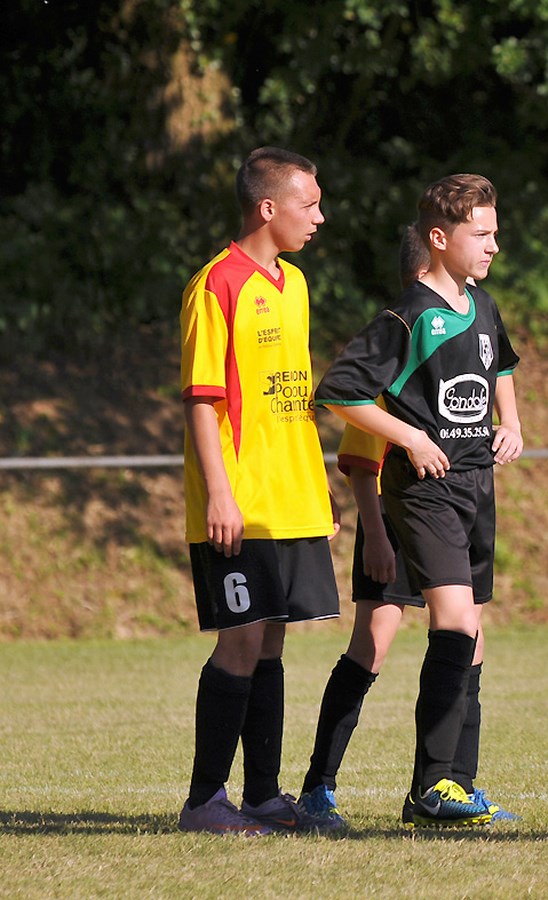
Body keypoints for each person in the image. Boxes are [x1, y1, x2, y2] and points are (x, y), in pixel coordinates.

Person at [314, 174, 523, 829]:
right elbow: (339, 391)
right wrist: (410, 437)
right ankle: (421, 786)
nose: (493, 245)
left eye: (494, 233)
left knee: (471, 637)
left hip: (475, 487)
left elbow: (502, 365)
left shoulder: (481, 305)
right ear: (439, 238)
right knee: (448, 624)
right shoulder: (408, 316)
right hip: (422, 493)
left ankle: (454, 785)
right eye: (481, 234)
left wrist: (512, 422)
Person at [177, 146, 341, 835]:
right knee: (240, 642)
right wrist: (220, 495)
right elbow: (202, 399)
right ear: (268, 208)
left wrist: (319, 493)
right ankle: (203, 801)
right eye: (310, 204)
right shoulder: (215, 284)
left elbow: (293, 401)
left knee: (271, 642)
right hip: (239, 504)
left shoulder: (294, 283)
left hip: (291, 501)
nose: (320, 217)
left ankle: (265, 795)